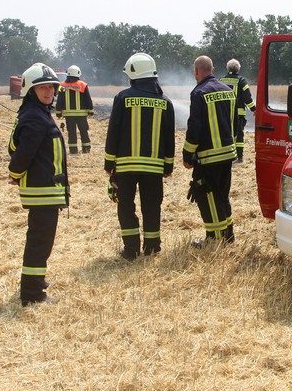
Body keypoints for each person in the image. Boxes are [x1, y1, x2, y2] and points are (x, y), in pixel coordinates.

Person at [7, 63, 69, 306]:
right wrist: (14, 172)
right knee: (39, 242)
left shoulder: (37, 112)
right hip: (42, 191)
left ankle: (36, 279)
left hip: (46, 190)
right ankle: (32, 294)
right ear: (31, 90)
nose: (48, 92)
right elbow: (23, 152)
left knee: (41, 241)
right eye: (42, 87)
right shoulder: (35, 116)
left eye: (51, 87)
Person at [104, 53, 176, 259]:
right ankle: (152, 247)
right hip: (153, 167)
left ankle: (131, 249)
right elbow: (169, 138)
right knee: (152, 206)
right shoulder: (165, 102)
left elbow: (113, 131)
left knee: (126, 206)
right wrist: (168, 166)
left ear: (133, 74)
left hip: (125, 166)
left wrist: (109, 162)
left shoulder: (122, 98)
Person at [184, 55, 237, 244]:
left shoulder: (198, 92)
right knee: (223, 195)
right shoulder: (227, 89)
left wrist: (187, 154)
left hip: (209, 155)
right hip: (228, 152)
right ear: (212, 69)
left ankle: (214, 238)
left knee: (207, 195)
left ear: (197, 71)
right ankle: (228, 235)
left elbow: (195, 127)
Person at [219, 58, 255, 163]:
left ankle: (226, 156)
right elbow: (247, 98)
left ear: (228, 68)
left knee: (226, 134)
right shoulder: (241, 81)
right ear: (238, 69)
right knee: (239, 136)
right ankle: (239, 157)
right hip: (238, 114)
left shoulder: (221, 80)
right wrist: (254, 109)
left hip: (224, 114)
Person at [56, 65, 94, 154]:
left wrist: (58, 112)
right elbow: (88, 99)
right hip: (82, 115)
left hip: (69, 116)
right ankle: (86, 149)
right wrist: (90, 110)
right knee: (84, 131)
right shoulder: (83, 85)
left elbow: (60, 100)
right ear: (78, 74)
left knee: (71, 132)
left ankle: (73, 150)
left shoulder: (62, 86)